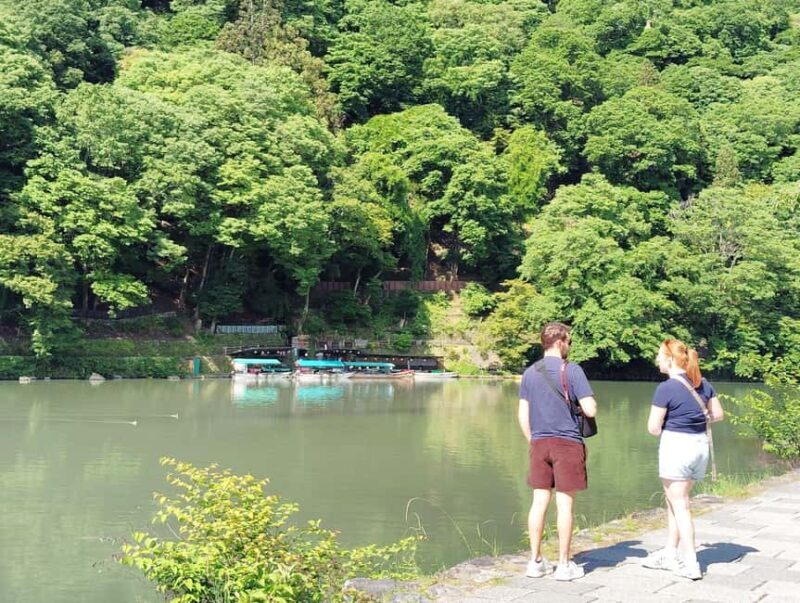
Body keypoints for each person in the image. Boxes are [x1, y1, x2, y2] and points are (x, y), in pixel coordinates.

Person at [517, 322, 598, 581]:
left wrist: (533, 441)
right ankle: (564, 565)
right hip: (567, 444)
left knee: (539, 502)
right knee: (565, 505)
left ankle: (535, 562)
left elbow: (522, 414)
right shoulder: (572, 370)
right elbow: (590, 409)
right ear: (560, 342)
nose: (570, 346)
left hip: (539, 443)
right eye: (569, 342)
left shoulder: (530, 373)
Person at [643, 339, 725, 580]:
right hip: (700, 446)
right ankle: (670, 553)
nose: (657, 359)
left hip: (676, 446)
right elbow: (718, 415)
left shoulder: (666, 388)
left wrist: (673, 425)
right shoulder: (703, 383)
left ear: (670, 359)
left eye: (659, 355)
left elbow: (653, 428)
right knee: (675, 500)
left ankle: (691, 562)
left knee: (681, 505)